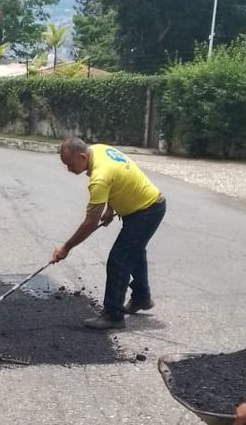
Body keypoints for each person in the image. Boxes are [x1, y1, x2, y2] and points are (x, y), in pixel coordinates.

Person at [52, 139, 166, 330]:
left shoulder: (99, 177)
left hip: (147, 210)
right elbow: (119, 179)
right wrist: (110, 208)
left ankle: (113, 315)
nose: (69, 169)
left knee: (119, 260)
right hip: (145, 205)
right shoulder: (98, 149)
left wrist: (66, 248)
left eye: (70, 165)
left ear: (82, 157)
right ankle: (141, 297)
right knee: (134, 251)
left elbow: (90, 222)